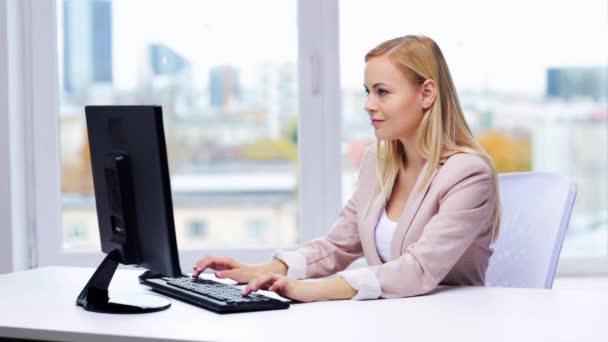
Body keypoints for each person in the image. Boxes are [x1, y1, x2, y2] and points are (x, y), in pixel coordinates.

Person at [192, 35, 501, 302]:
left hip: (449, 324)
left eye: (382, 92)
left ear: (426, 94)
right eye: (367, 91)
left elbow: (418, 269)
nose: (368, 104)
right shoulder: (378, 162)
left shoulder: (468, 174)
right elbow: (337, 246)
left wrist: (310, 290)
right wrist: (256, 271)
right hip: (394, 319)